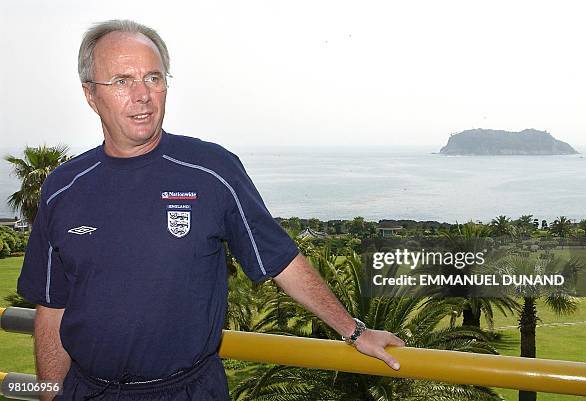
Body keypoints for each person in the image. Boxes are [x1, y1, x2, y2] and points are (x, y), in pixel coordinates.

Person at [16, 19, 405, 401]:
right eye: (121, 81)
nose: (143, 95)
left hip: (188, 390)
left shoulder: (212, 170)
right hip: (88, 391)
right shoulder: (63, 188)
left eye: (154, 78)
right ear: (90, 94)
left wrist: (354, 331)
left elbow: (281, 259)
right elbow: (51, 307)